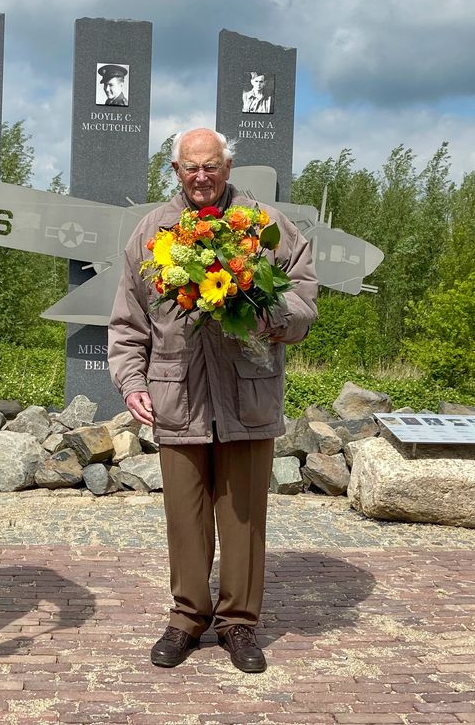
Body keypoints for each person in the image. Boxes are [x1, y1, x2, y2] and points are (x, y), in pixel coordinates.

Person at [108, 127, 318, 673]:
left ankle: (239, 623)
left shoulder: (263, 226)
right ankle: (187, 618)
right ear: (175, 172)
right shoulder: (152, 232)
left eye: (211, 166)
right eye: (190, 167)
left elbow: (305, 299)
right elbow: (129, 322)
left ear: (228, 168)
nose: (201, 176)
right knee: (186, 516)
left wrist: (268, 311)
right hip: (178, 397)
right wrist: (133, 383)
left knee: (244, 516)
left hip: (248, 393)